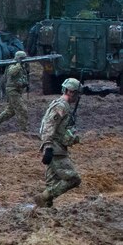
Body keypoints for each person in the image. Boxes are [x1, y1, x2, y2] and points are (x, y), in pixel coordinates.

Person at [35, 78, 82, 207]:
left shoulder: (63, 106)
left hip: (58, 147)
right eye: (77, 94)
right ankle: (44, 197)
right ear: (71, 92)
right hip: (56, 149)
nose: (77, 97)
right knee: (73, 179)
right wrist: (48, 147)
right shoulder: (60, 106)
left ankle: (45, 209)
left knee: (52, 182)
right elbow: (49, 125)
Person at [0, 51, 28, 132]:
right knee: (22, 109)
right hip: (12, 90)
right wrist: (18, 64)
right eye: (22, 58)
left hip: (17, 90)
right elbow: (12, 72)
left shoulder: (22, 66)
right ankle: (24, 130)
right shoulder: (13, 64)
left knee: (11, 111)